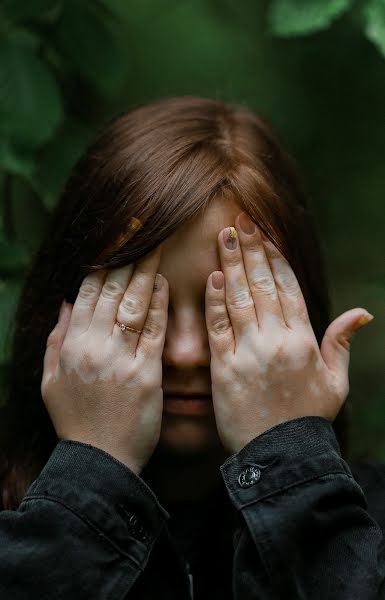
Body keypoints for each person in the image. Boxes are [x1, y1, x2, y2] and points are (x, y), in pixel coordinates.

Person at [0, 96, 383, 599]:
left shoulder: (368, 528)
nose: (184, 354)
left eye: (225, 309)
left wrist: (291, 468)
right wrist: (89, 473)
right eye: (141, 309)